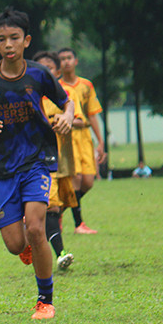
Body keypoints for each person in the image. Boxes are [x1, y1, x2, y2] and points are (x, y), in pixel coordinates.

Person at [0, 7, 74, 320]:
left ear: (26, 41)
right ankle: (28, 248)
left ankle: (45, 300)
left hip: (37, 159)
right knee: (14, 243)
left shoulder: (39, 74)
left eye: (14, 38)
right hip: (1, 165)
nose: (8, 44)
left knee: (36, 227)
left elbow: (67, 101)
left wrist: (65, 117)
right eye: (1, 39)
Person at [33, 50, 81, 272]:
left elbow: (79, 120)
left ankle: (43, 234)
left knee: (58, 207)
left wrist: (66, 118)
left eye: (50, 69)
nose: (46, 72)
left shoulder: (63, 95)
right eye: (42, 68)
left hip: (62, 159)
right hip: (39, 161)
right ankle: (61, 253)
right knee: (51, 207)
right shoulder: (27, 95)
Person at [57, 47, 106, 234]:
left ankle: (58, 210)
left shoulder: (86, 85)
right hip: (67, 136)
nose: (66, 62)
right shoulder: (57, 87)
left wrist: (101, 141)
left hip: (84, 136)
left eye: (69, 58)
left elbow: (92, 114)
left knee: (88, 182)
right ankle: (79, 224)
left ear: (76, 61)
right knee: (75, 179)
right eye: (62, 59)